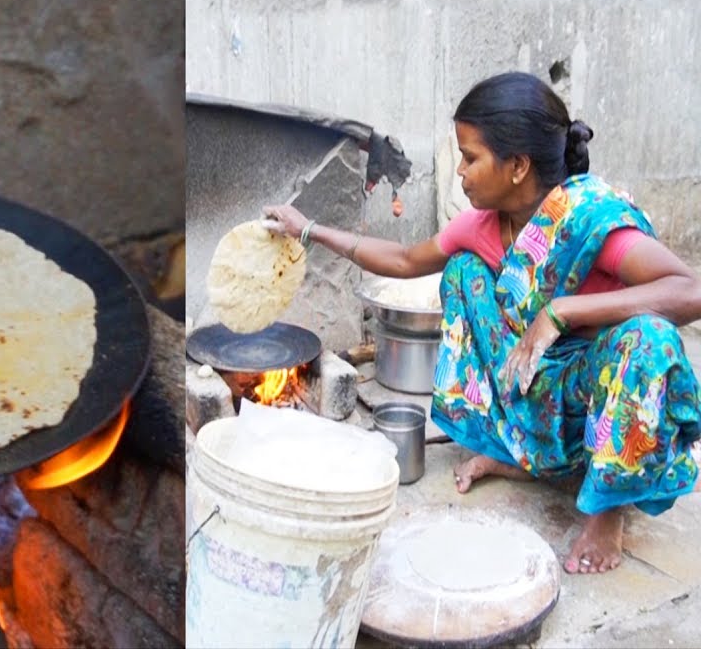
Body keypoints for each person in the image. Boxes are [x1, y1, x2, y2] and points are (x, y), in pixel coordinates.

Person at [264, 71, 701, 575]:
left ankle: (608, 506)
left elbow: (688, 291)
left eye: (470, 158)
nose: (462, 174)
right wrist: (309, 229)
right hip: (536, 385)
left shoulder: (586, 219)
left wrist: (561, 312)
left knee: (649, 339)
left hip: (599, 399)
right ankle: (518, 450)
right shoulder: (482, 224)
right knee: (464, 273)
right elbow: (406, 258)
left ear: (517, 165)